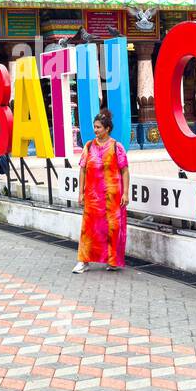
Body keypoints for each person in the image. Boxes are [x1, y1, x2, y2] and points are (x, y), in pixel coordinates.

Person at [73, 109, 130, 273]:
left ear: (107, 129)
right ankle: (83, 261)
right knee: (88, 229)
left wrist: (125, 193)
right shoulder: (89, 146)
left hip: (113, 196)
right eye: (95, 127)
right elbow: (82, 170)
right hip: (92, 196)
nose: (95, 130)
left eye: (98, 127)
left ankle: (113, 261)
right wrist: (81, 192)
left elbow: (125, 170)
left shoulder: (116, 147)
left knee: (112, 228)